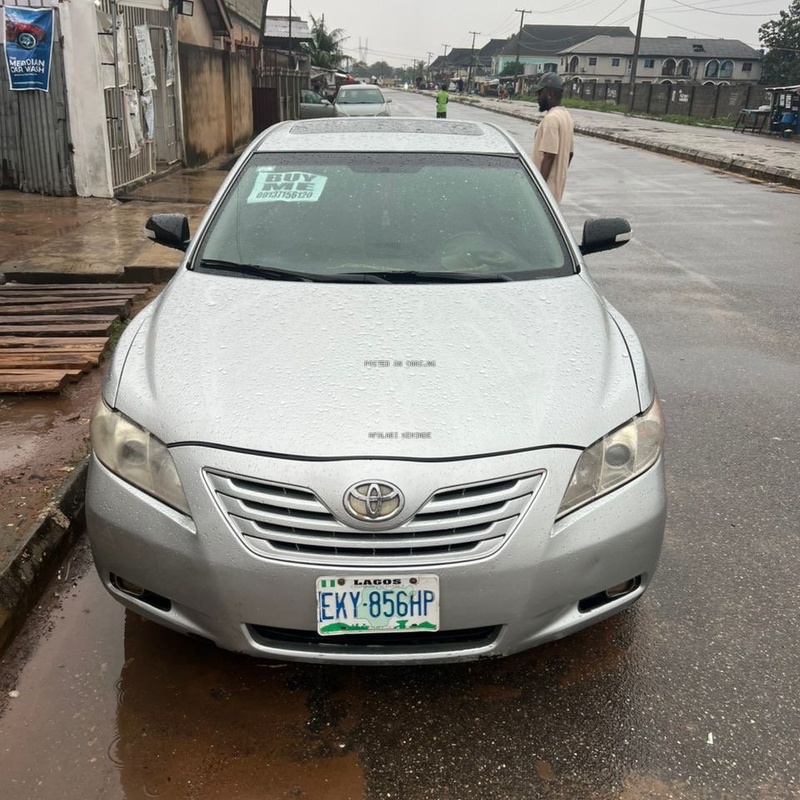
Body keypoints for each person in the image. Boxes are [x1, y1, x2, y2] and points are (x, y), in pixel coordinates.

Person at [531, 72, 574, 204]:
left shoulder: (551, 119)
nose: (538, 98)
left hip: (545, 193)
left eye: (540, 94)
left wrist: (540, 188)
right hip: (555, 192)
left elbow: (549, 155)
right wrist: (559, 176)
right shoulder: (566, 116)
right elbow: (570, 154)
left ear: (550, 94)